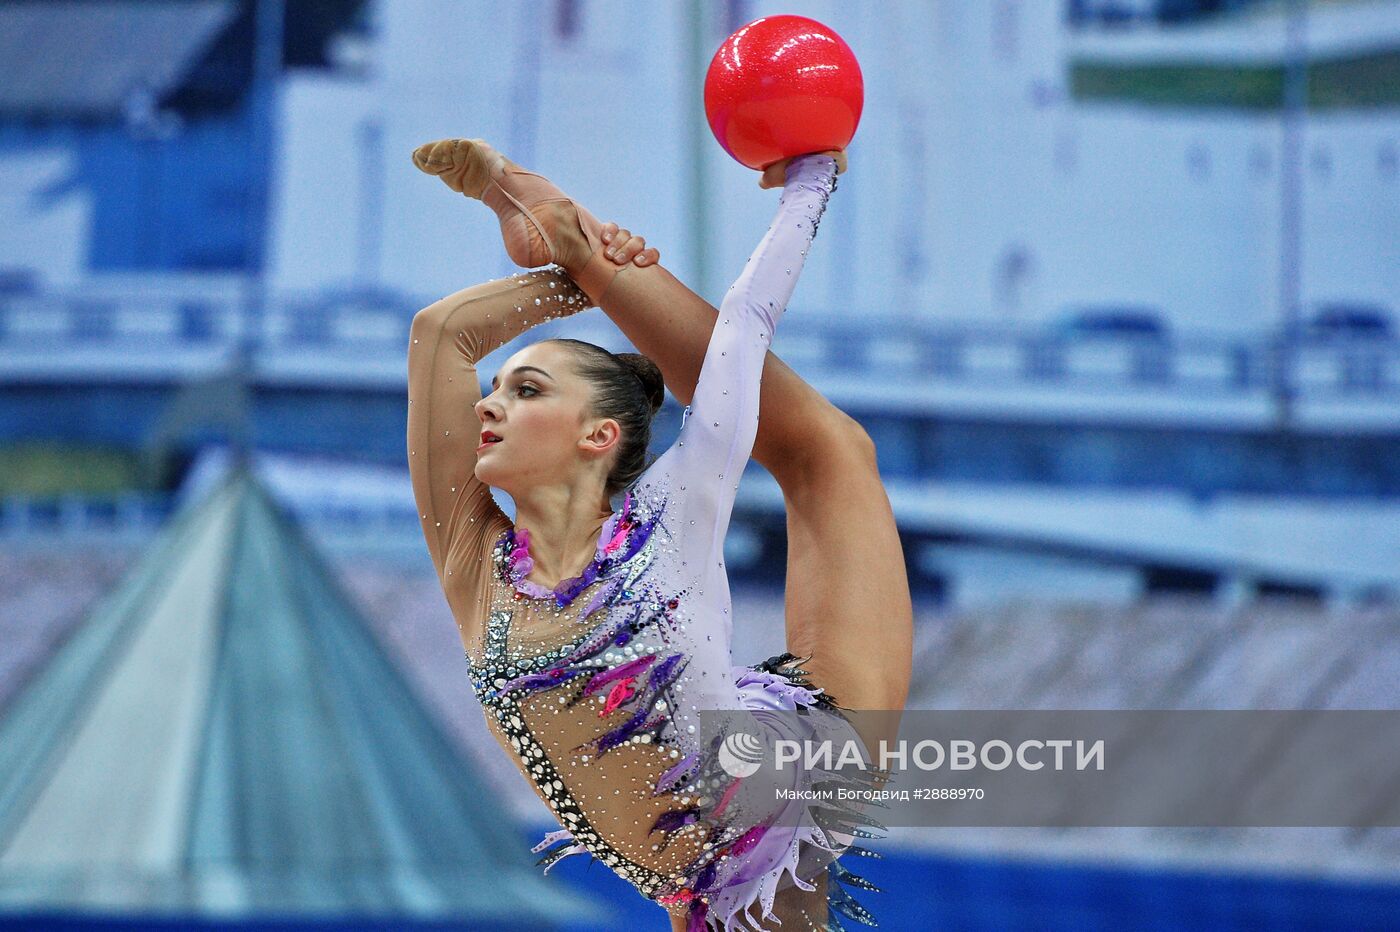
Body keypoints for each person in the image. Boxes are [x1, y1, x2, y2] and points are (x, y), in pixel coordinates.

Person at [406, 137, 912, 931]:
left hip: (786, 797)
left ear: (599, 435)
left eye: (525, 389)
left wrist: (811, 184)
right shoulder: (480, 565)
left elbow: (746, 323)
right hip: (706, 858)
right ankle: (570, 233)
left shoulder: (671, 512)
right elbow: (443, 336)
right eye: (497, 389)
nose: (486, 405)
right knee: (825, 451)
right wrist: (558, 274)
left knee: (829, 453)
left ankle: (577, 238)